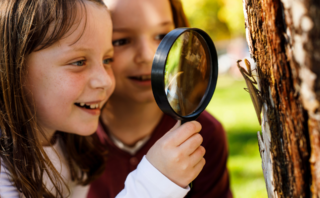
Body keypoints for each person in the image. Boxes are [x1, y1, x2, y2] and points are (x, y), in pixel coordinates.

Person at [0, 0, 206, 197]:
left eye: (107, 60)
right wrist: (155, 184)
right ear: (13, 66)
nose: (106, 81)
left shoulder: (72, 152)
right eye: (79, 62)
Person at [88, 0, 233, 197]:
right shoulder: (64, 135)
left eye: (162, 36)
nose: (147, 55)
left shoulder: (202, 135)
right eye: (121, 40)